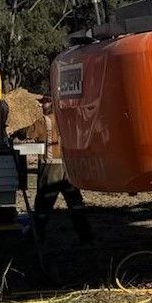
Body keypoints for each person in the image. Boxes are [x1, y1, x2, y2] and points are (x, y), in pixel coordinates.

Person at [31, 96, 91, 244]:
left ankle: (37, 236)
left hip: (52, 168)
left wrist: (16, 134)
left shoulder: (44, 121)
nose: (42, 106)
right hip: (69, 168)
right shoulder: (68, 119)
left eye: (44, 102)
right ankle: (85, 235)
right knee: (75, 202)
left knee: (43, 205)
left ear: (51, 103)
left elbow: (30, 133)